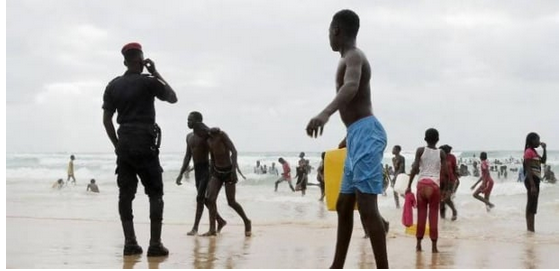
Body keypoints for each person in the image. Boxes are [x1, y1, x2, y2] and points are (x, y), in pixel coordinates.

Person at [305, 9, 388, 268]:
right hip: (356, 135)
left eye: (329, 30)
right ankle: (337, 266)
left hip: (366, 133)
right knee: (343, 204)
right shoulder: (349, 58)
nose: (328, 35)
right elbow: (356, 105)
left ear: (337, 30)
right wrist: (348, 135)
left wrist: (325, 113)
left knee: (366, 207)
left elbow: (351, 87)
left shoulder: (354, 56)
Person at [102, 42, 177, 257]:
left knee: (125, 195)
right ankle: (155, 244)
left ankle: (130, 243)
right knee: (155, 193)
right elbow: (173, 98)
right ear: (142, 60)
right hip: (145, 142)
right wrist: (156, 72)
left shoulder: (113, 86)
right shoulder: (149, 82)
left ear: (125, 61)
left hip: (124, 143)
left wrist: (117, 145)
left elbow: (106, 120)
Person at [193, 123, 251, 237]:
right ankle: (212, 229)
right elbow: (213, 157)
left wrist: (234, 171)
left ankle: (247, 221)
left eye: (199, 133)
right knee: (210, 199)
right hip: (217, 173)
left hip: (229, 172)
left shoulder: (220, 135)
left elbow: (234, 151)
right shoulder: (207, 141)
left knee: (231, 202)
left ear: (204, 130)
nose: (198, 136)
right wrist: (211, 174)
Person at [176, 111, 227, 236]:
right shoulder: (189, 137)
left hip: (206, 169)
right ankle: (220, 221)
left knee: (199, 197)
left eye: (190, 120)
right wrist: (181, 173)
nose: (188, 122)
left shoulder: (205, 135)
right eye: (187, 120)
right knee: (204, 200)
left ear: (198, 121)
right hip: (197, 171)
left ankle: (195, 228)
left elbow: (215, 141)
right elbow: (187, 156)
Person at [405, 128, 448, 253]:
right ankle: (434, 247)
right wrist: (444, 190)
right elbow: (445, 173)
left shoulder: (420, 150)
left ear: (425, 139)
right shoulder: (441, 153)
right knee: (433, 215)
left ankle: (418, 244)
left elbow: (414, 168)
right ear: (438, 140)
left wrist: (408, 185)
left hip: (421, 185)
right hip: (434, 187)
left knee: (421, 215)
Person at [523, 132, 547, 232]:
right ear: (532, 141)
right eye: (537, 139)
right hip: (531, 180)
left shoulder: (534, 152)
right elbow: (528, 169)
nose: (539, 141)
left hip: (535, 180)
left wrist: (544, 149)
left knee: (533, 205)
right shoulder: (528, 151)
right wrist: (532, 185)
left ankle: (531, 229)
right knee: (531, 205)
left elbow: (543, 161)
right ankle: (530, 229)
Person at [439, 145, 458, 221]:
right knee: (441, 202)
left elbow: (454, 169)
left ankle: (454, 211)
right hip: (440, 181)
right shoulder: (438, 158)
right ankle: (443, 221)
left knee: (446, 199)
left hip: (450, 181)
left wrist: (456, 180)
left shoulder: (452, 157)